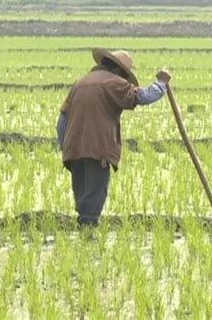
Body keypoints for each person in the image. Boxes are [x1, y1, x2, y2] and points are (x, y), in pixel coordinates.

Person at [56, 48, 171, 227]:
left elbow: (62, 121)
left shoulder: (80, 82)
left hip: (74, 149)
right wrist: (161, 83)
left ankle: (83, 233)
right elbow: (143, 96)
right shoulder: (114, 82)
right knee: (93, 197)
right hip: (98, 151)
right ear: (120, 71)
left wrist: (66, 146)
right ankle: (88, 237)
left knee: (82, 197)